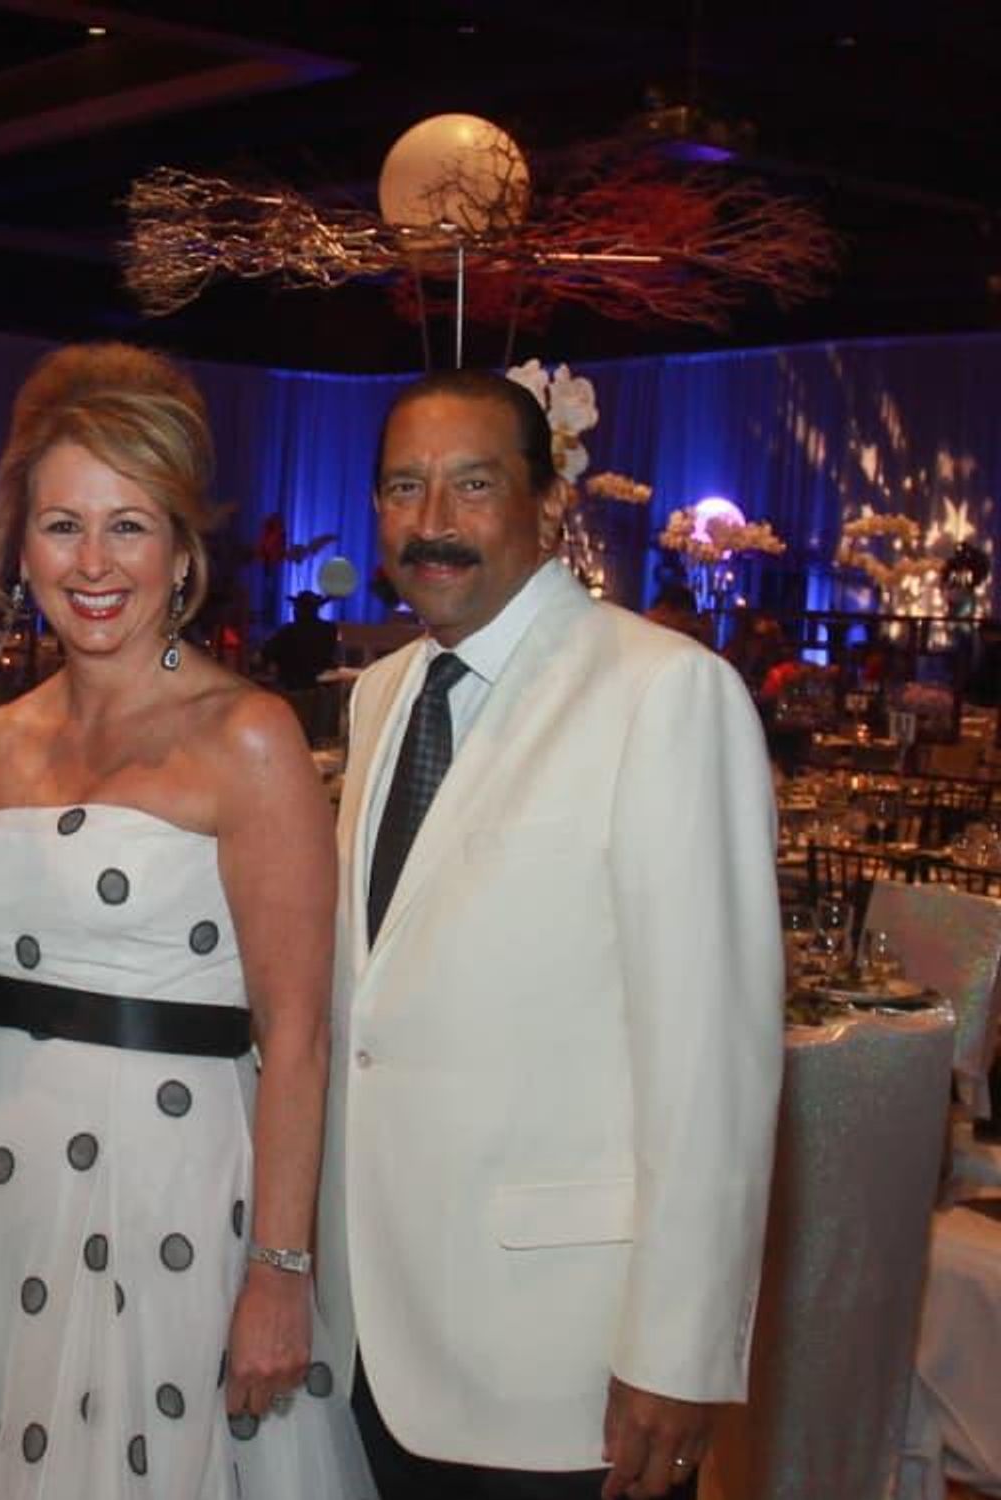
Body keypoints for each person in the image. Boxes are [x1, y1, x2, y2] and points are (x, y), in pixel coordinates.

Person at [0, 343, 376, 1499]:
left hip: (174, 1196)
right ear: (18, 549)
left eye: (127, 525)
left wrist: (279, 1267)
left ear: (180, 552)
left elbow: (296, 1032)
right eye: (61, 525)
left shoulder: (248, 737)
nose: (92, 562)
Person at [320, 368, 783, 1500]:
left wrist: (678, 1348)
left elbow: (711, 1060)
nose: (432, 520)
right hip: (374, 1331)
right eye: (403, 487)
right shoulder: (380, 695)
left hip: (563, 1359)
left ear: (548, 505)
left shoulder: (664, 692)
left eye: (473, 485)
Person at [262, 589, 342, 691]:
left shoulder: (288, 631)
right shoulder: (330, 629)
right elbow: (334, 657)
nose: (294, 611)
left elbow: (266, 654)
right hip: (322, 689)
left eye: (296, 607)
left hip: (292, 688)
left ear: (299, 610)